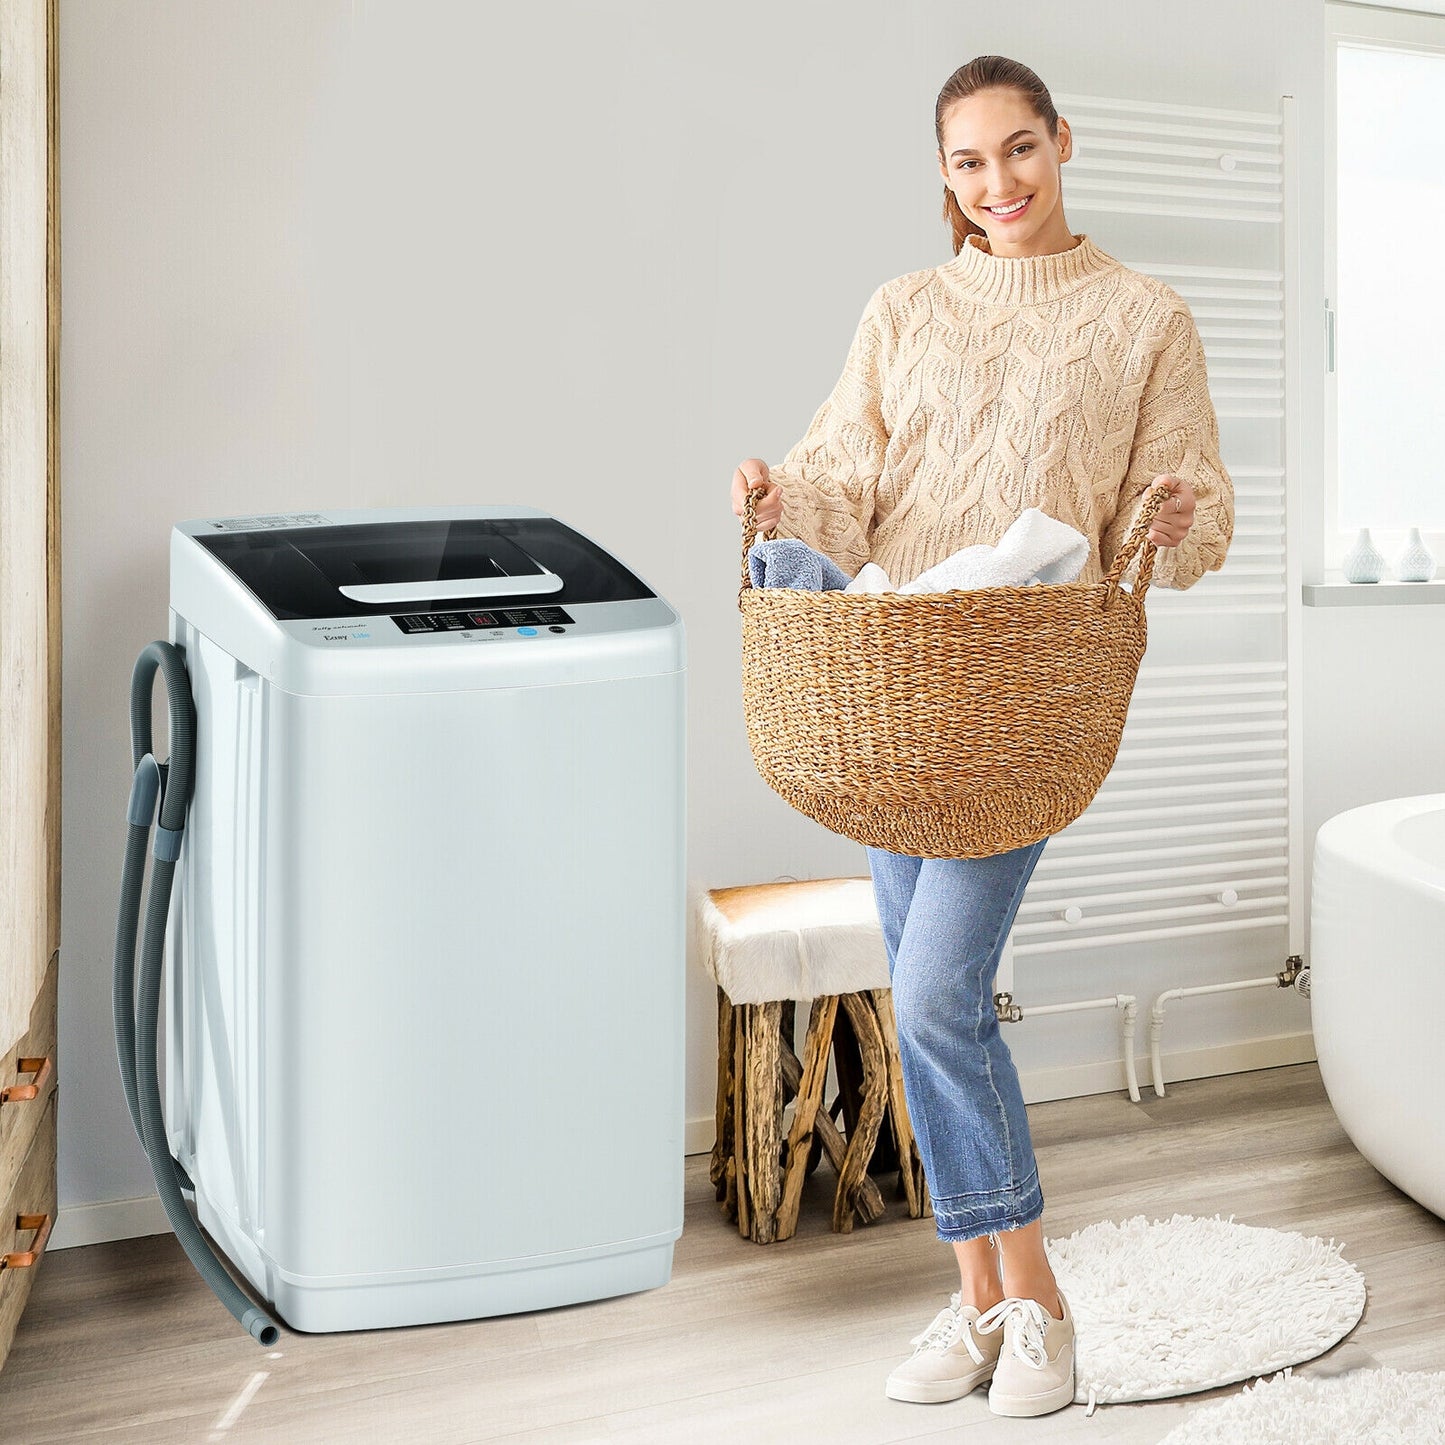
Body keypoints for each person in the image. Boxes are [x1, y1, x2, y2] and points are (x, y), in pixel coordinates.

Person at [728, 55, 1234, 1419]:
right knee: (930, 999)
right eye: (967, 163)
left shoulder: (1141, 317)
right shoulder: (902, 308)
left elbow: (1187, 501)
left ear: (1062, 143)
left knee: (934, 999)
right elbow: (840, 479)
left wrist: (1174, 521)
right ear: (941, 176)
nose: (997, 185)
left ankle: (1043, 1318)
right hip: (896, 689)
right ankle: (976, 1310)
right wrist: (780, 500)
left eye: (1019, 150)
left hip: (1017, 699)